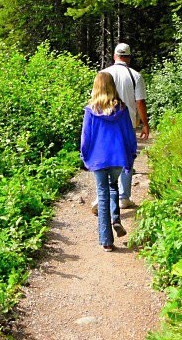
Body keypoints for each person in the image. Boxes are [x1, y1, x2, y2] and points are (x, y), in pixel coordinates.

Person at [80, 72, 138, 252]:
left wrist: (85, 156)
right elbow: (129, 135)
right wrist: (131, 155)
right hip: (117, 158)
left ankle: (106, 240)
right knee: (113, 187)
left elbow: (86, 138)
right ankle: (115, 219)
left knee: (103, 194)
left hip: (98, 159)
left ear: (95, 87)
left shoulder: (91, 110)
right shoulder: (122, 109)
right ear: (113, 86)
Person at [92, 43, 150, 213]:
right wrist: (145, 124)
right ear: (129, 58)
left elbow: (95, 100)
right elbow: (140, 102)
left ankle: (100, 197)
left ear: (114, 56)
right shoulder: (136, 76)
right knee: (126, 159)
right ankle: (123, 197)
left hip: (104, 122)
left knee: (106, 158)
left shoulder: (103, 74)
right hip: (127, 122)